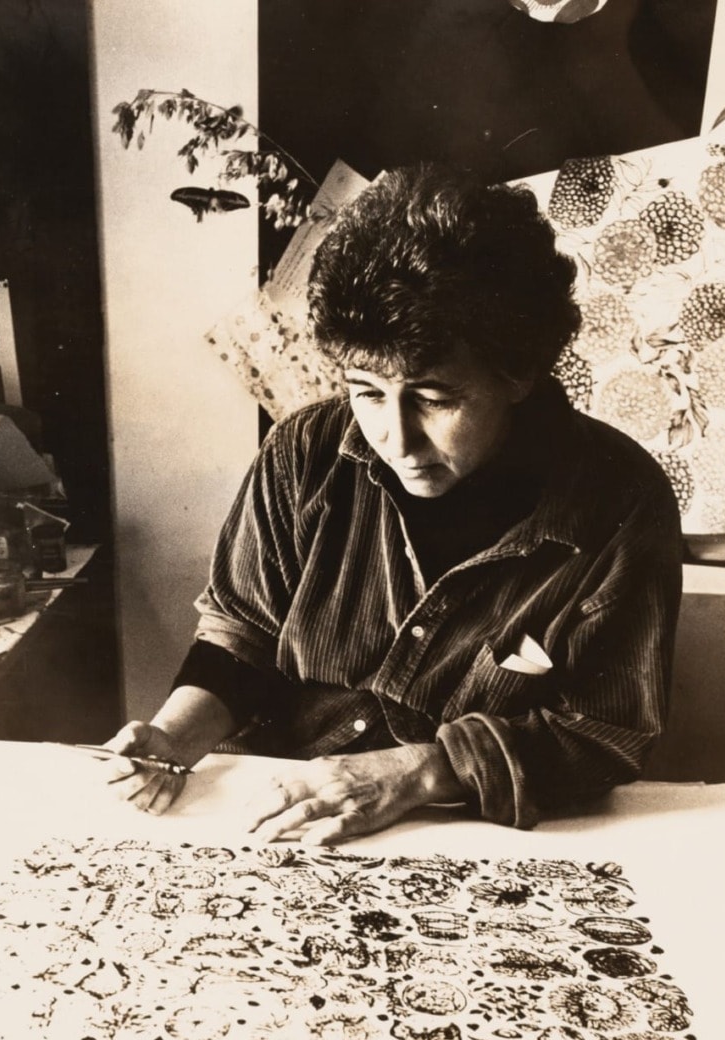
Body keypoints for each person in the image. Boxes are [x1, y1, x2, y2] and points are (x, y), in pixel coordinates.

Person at [106, 164, 683, 843]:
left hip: (467, 836)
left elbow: (605, 735)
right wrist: (173, 736)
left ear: (519, 371)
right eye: (367, 393)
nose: (396, 439)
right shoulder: (303, 452)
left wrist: (417, 772)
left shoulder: (621, 501)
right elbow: (242, 635)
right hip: (268, 810)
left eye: (436, 399)